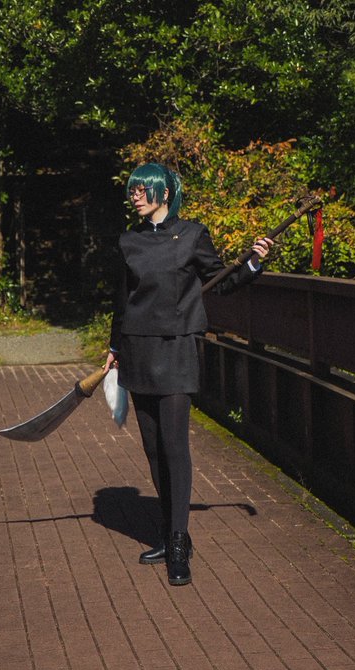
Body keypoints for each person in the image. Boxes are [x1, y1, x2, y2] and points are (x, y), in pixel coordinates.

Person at [104, 162, 272, 586]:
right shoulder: (127, 241)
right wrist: (114, 349)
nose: (135, 195)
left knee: (174, 444)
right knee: (153, 450)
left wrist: (253, 263)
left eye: (142, 189)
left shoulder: (193, 235)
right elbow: (121, 303)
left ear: (164, 192)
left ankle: (179, 543)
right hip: (138, 350)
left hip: (177, 350)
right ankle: (168, 532)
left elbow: (221, 281)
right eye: (132, 189)